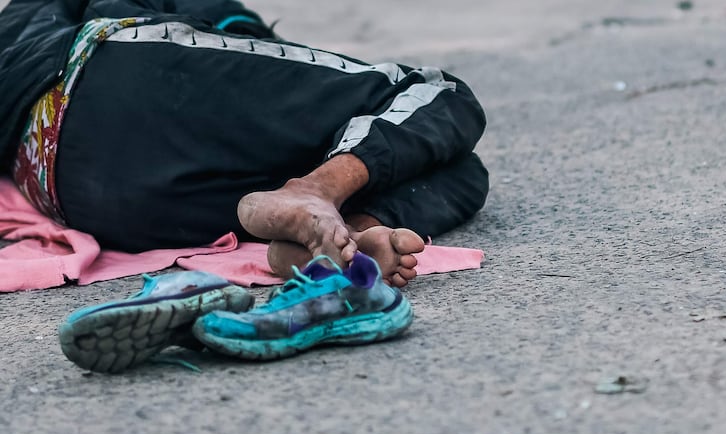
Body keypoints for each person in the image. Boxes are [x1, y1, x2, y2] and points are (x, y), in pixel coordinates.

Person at [0, 0, 489, 288]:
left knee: (465, 172)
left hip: (83, 198)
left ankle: (352, 235)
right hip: (118, 81)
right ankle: (315, 190)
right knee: (432, 93)